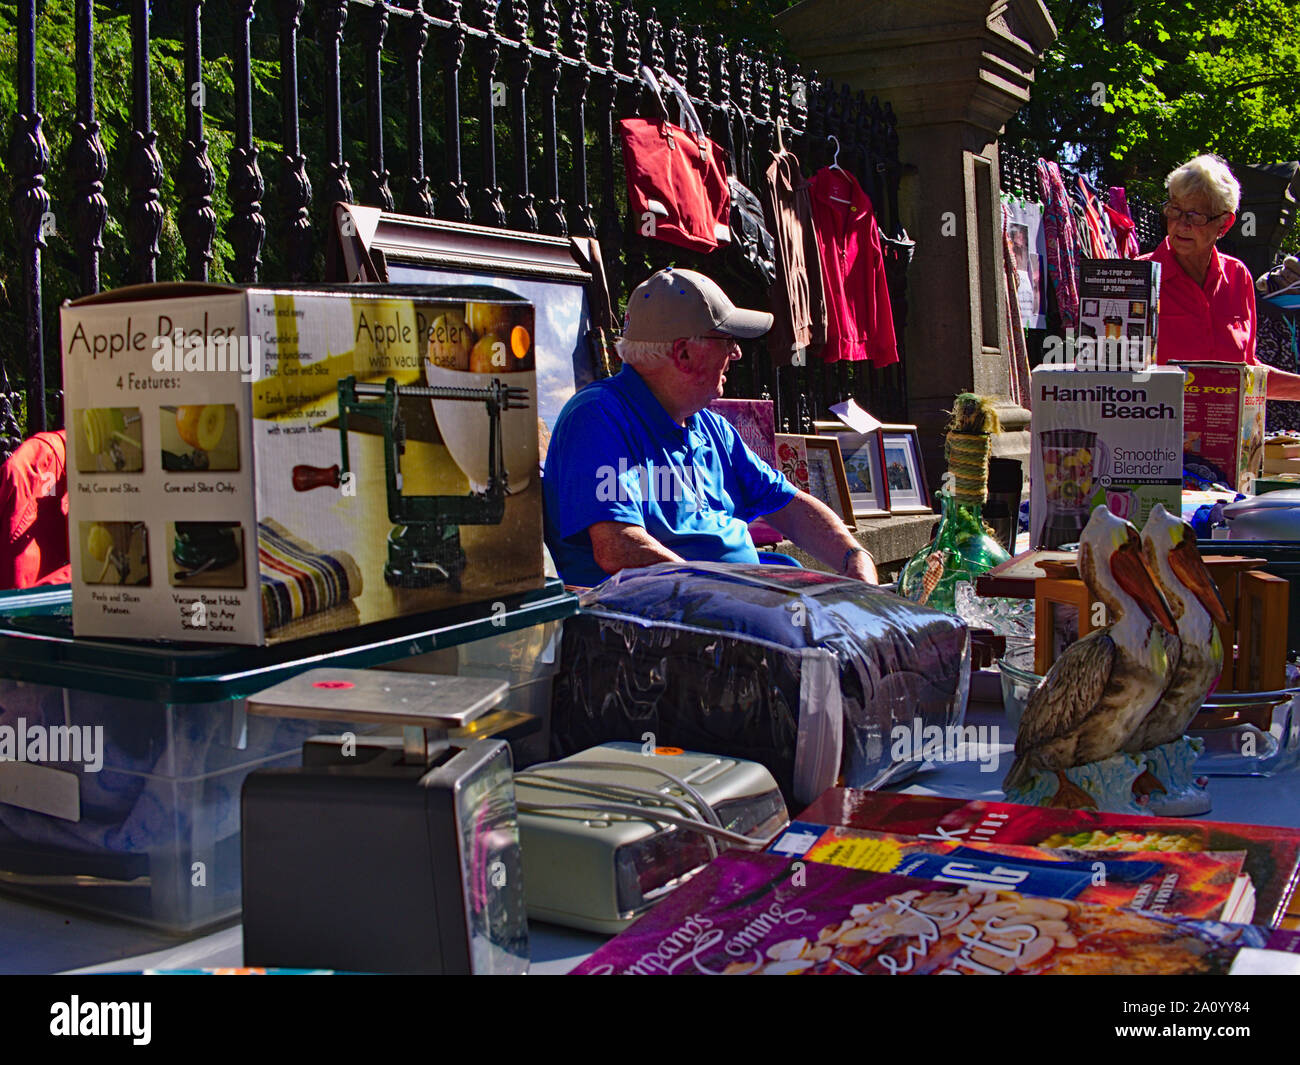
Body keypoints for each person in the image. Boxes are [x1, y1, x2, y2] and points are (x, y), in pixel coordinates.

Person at [542, 268, 878, 587]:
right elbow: (619, 548)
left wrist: (855, 558)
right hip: (671, 625)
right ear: (684, 353)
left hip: (740, 601)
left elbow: (788, 506)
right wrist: (732, 594)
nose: (737, 352)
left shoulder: (709, 426)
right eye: (726, 340)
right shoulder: (598, 416)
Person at [1142, 154, 1300, 401]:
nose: (1181, 224)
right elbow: (1101, 374)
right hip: (1154, 435)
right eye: (1175, 210)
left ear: (1225, 224)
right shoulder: (1138, 278)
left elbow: (1246, 372)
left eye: (1196, 215)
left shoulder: (1238, 276)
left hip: (1225, 434)